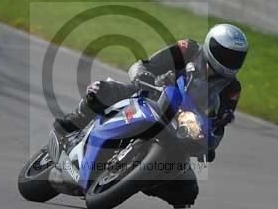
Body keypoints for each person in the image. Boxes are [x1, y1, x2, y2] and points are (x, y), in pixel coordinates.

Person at [54, 23, 248, 163]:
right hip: (154, 95)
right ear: (211, 45)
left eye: (236, 57)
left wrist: (210, 143)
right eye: (225, 53)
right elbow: (148, 65)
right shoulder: (189, 49)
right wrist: (143, 76)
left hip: (184, 126)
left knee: (187, 192)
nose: (230, 60)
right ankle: (75, 121)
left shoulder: (232, 88)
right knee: (102, 90)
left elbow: (219, 124)